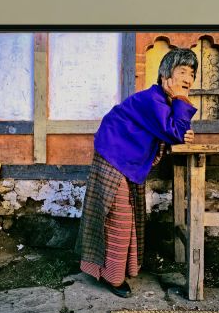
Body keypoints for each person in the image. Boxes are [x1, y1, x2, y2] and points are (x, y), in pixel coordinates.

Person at [77, 48, 198, 297]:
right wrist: (180, 109)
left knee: (130, 215)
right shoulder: (153, 100)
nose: (188, 79)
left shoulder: (163, 102)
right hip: (112, 155)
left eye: (192, 74)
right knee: (119, 217)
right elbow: (175, 131)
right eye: (183, 72)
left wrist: (181, 129)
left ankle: (120, 269)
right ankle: (112, 277)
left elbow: (175, 131)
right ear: (165, 75)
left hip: (125, 160)